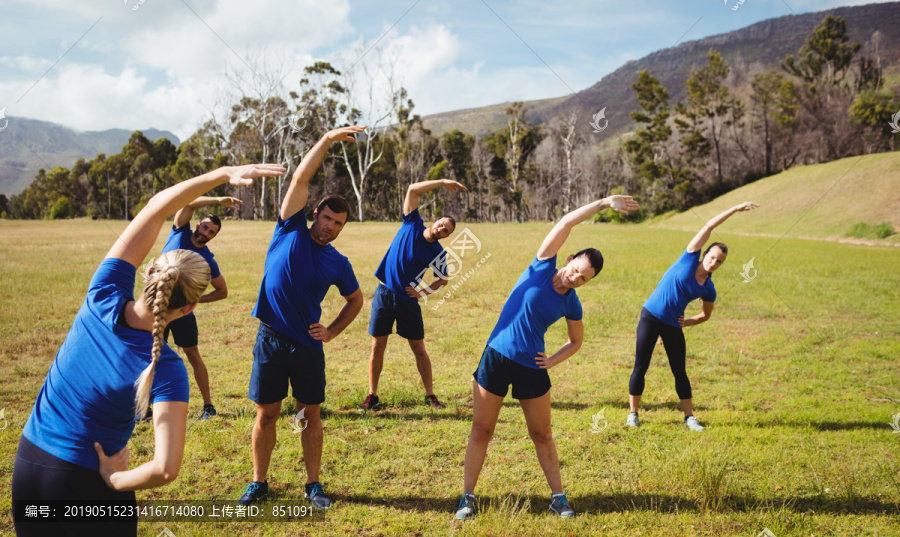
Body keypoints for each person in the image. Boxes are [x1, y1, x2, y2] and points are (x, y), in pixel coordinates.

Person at [11, 163, 286, 537]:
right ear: (189, 308)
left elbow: (157, 207)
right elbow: (165, 469)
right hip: (89, 482)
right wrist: (115, 478)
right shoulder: (167, 369)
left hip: (29, 464)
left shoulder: (102, 294)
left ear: (148, 273)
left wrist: (222, 172)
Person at [456, 195, 640, 520]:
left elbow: (576, 341)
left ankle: (558, 498)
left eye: (583, 279)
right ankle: (467, 497)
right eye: (576, 270)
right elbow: (565, 223)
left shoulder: (572, 303)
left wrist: (551, 361)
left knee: (542, 434)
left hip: (531, 366)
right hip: (496, 357)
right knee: (482, 429)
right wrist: (604, 204)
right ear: (569, 259)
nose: (574, 279)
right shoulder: (541, 265)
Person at [237, 126, 366, 510]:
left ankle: (313, 484)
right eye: (327, 218)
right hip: (270, 339)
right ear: (314, 214)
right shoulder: (288, 228)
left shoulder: (338, 263)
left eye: (339, 224)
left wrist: (331, 331)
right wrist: (326, 140)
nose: (331, 226)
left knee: (309, 415)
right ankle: (259, 483)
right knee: (267, 414)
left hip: (308, 346)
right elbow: (300, 177)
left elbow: (357, 301)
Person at [626, 202, 759, 432]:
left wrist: (685, 322)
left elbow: (706, 316)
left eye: (720, 262)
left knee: (680, 371)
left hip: (672, 325)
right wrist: (735, 208)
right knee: (641, 366)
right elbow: (709, 225)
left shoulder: (708, 289)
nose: (714, 263)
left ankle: (689, 417)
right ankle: (633, 414)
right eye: (713, 257)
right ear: (705, 253)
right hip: (650, 316)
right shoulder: (688, 258)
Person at [363, 178, 468, 411]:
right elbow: (412, 189)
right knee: (377, 346)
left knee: (418, 348)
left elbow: (443, 279)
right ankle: (372, 396)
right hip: (384, 292)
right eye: (442, 224)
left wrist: (423, 291)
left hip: (407, 300)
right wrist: (442, 182)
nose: (442, 229)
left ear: (446, 236)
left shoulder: (437, 253)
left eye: (446, 231)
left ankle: (430, 395)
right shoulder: (411, 223)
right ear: (435, 221)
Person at [162, 196, 242, 420]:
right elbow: (188, 203)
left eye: (211, 233)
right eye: (205, 227)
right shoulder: (179, 231)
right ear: (198, 224)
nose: (205, 234)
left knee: (193, 355)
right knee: (148, 353)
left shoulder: (208, 260)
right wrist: (217, 199)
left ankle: (208, 406)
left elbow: (222, 291)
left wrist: (194, 301)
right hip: (156, 306)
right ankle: (144, 406)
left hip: (181, 311)